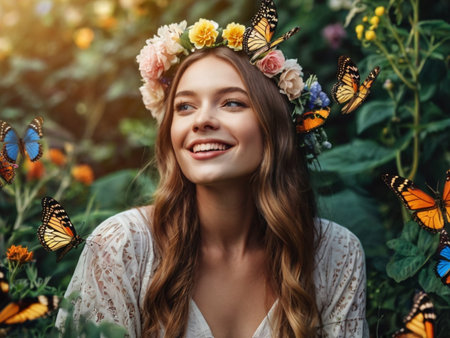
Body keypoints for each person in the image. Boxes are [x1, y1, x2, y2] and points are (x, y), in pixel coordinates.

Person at [56, 6, 367, 338]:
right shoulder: (121, 247)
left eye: (232, 102)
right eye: (185, 106)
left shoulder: (335, 254)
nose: (201, 121)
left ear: (274, 128)